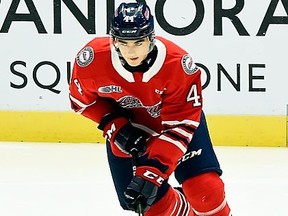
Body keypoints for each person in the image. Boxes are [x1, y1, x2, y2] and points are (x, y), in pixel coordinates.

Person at [69, 2, 231, 216]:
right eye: (124, 42)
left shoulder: (177, 63)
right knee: (148, 204)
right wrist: (114, 125)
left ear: (151, 38)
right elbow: (81, 102)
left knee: (206, 190)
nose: (131, 50)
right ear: (114, 40)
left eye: (138, 41)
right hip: (130, 133)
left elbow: (182, 124)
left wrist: (154, 169)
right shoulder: (92, 60)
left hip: (174, 128)